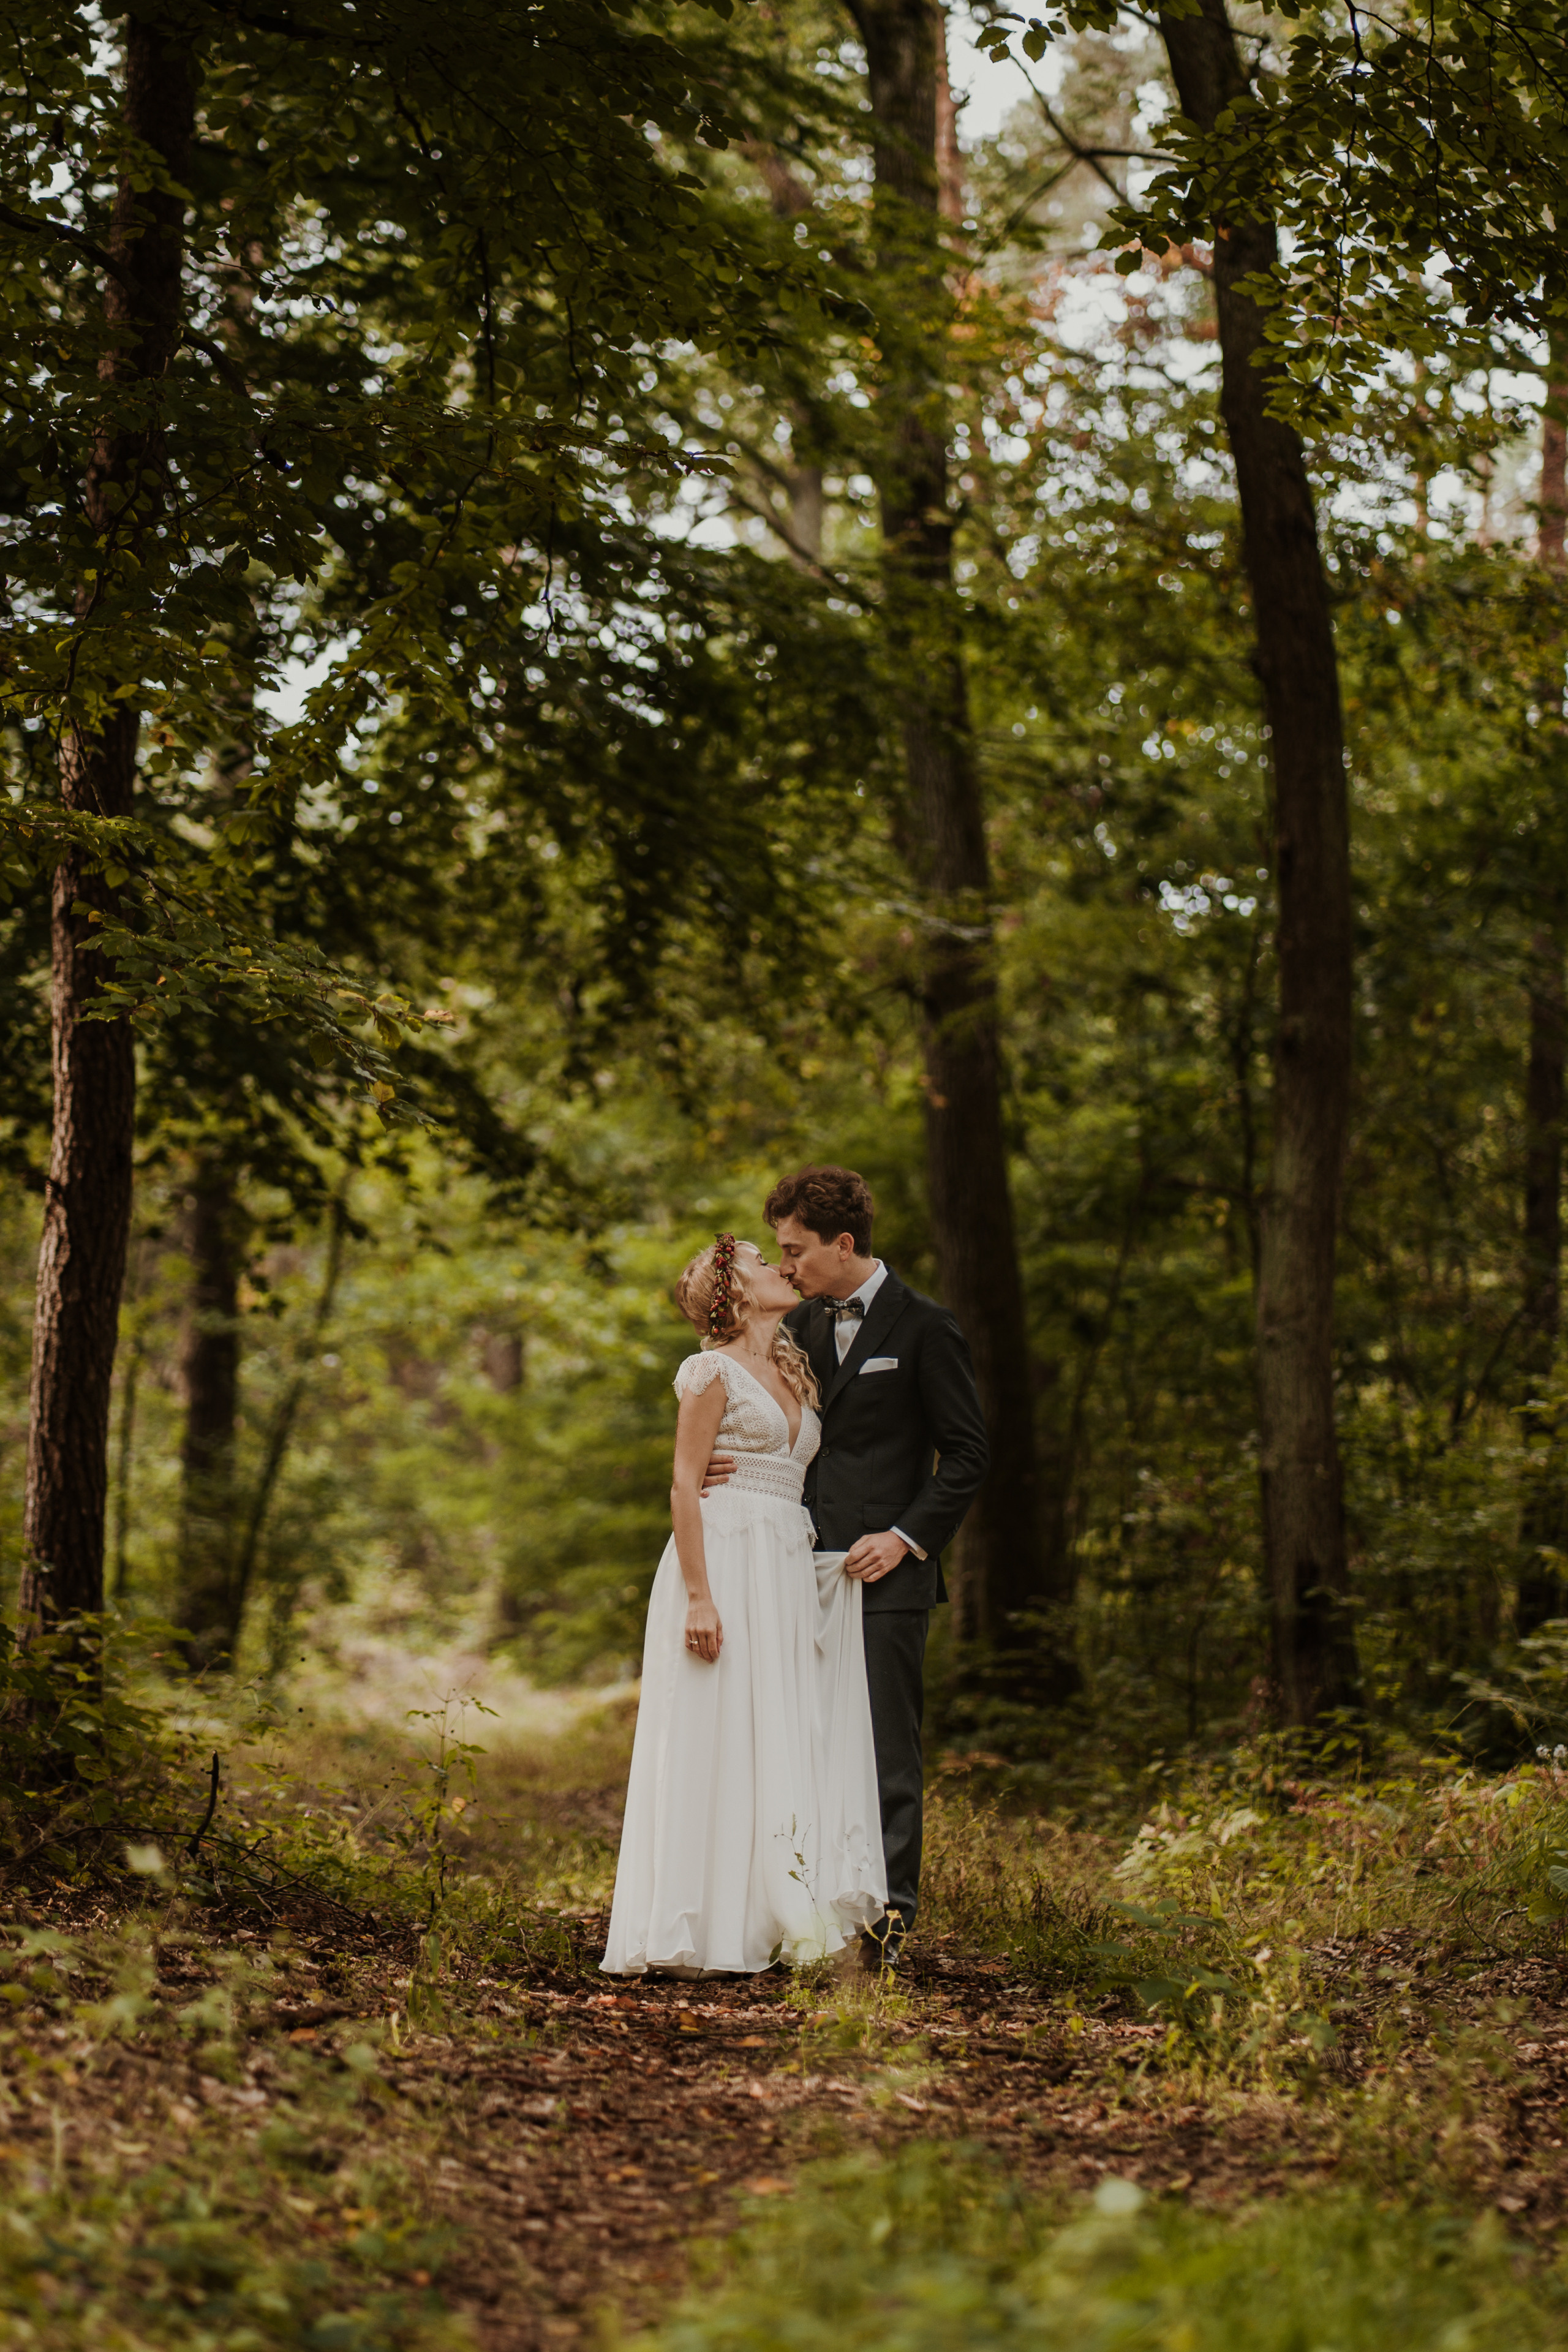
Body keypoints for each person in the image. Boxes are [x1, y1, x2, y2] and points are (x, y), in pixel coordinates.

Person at [704, 1166, 989, 1969]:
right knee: (799, 1744)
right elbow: (746, 1417)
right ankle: (806, 1912)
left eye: (796, 1250)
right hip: (791, 1572)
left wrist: (905, 1536)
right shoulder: (789, 1331)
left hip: (884, 1576)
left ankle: (887, 1927)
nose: (786, 1266)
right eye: (780, 1253)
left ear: (845, 1242)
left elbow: (968, 1455)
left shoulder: (927, 1328)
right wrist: (710, 1471)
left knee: (884, 1751)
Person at [601, 1233, 886, 1978]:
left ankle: (773, 1910)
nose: (780, 1269)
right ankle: (697, 1923)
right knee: (716, 1727)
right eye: (764, 1263)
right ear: (730, 1290)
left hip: (785, 1560)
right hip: (724, 1560)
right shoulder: (707, 1370)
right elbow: (683, 1483)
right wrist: (700, 1595)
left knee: (779, 1727)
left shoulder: (792, 1366)